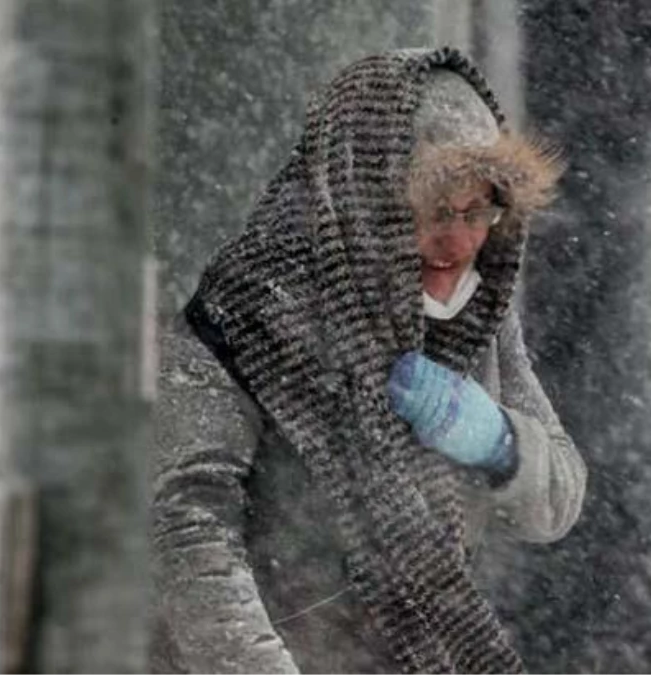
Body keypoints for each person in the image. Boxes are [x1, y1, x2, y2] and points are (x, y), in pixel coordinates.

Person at [150, 47, 587, 675]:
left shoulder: (479, 318)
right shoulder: (242, 316)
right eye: (434, 210)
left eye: (479, 212)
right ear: (366, 203)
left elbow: (559, 500)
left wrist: (498, 441)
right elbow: (189, 527)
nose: (459, 242)